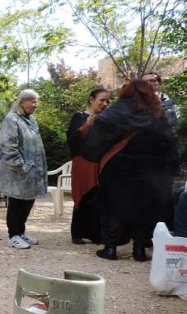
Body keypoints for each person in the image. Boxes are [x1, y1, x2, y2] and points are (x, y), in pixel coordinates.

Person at [82, 79, 178, 262]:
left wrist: (96, 156)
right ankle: (140, 250)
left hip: (117, 168)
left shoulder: (115, 112)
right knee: (144, 208)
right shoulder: (157, 115)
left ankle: (110, 249)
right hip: (150, 170)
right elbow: (169, 144)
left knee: (112, 207)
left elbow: (96, 141)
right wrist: (172, 169)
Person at [0, 89, 47, 249]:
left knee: (28, 201)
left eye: (36, 101)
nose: (35, 105)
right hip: (17, 172)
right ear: (22, 102)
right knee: (17, 202)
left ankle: (21, 231)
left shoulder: (31, 120)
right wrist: (21, 165)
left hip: (31, 172)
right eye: (32, 101)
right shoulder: (12, 119)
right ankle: (13, 235)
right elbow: (7, 145)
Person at [66, 87, 110, 245]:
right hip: (83, 162)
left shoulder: (106, 119)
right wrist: (86, 125)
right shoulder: (79, 117)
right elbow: (72, 140)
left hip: (100, 163)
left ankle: (94, 234)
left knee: (98, 197)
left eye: (107, 101)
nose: (105, 103)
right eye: (101, 100)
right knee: (83, 195)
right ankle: (77, 233)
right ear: (91, 100)